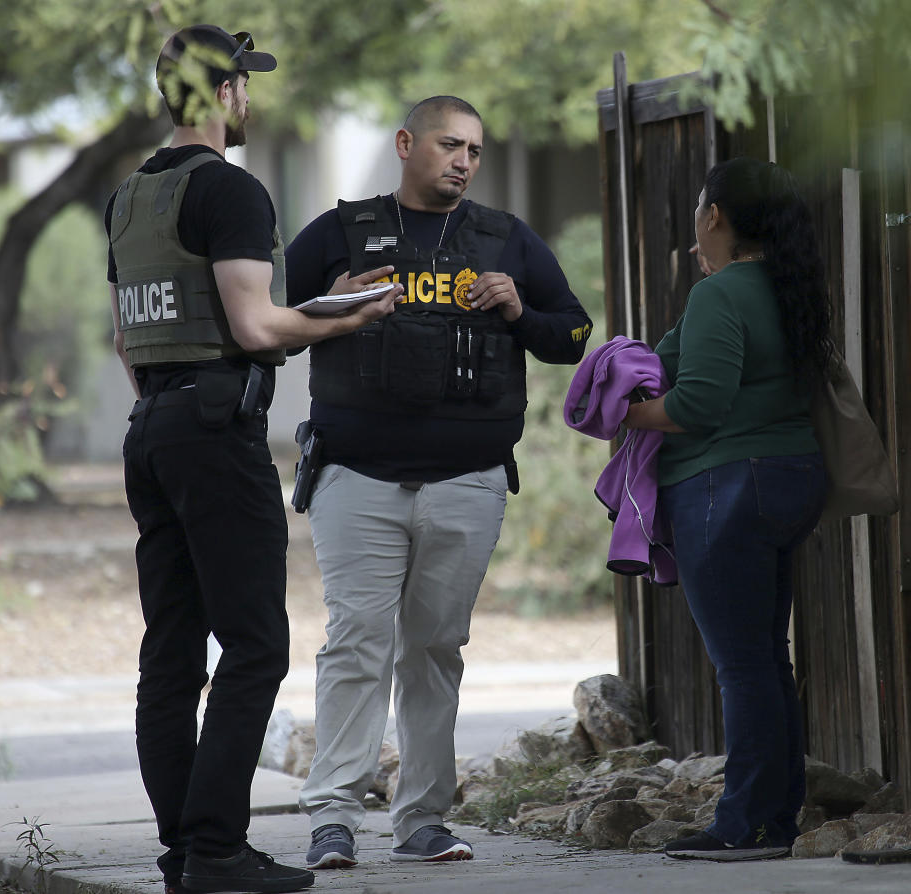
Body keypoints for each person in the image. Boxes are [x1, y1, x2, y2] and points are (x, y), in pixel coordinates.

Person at [105, 25, 400, 894]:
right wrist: (345, 318)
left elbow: (132, 335)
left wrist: (303, 307)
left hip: (153, 427)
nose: (250, 100)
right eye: (246, 85)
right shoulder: (229, 188)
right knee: (256, 645)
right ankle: (218, 851)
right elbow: (254, 328)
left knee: (171, 654)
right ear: (228, 93)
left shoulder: (129, 197)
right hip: (214, 434)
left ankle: (183, 851)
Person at [284, 95, 593, 869]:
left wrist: (522, 309)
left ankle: (422, 821)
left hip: (468, 481)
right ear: (405, 144)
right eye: (450, 145)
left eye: (475, 151)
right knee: (357, 642)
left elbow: (576, 335)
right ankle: (333, 819)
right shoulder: (340, 232)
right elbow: (266, 324)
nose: (464, 161)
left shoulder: (504, 239)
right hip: (357, 477)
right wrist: (336, 301)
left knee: (434, 648)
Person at [624, 156, 832, 861]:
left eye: (697, 220)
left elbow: (700, 404)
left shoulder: (721, 295)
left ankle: (740, 824)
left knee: (742, 667)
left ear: (714, 217)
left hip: (725, 485)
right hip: (790, 478)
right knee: (766, 659)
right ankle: (776, 819)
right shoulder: (790, 284)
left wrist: (628, 413)